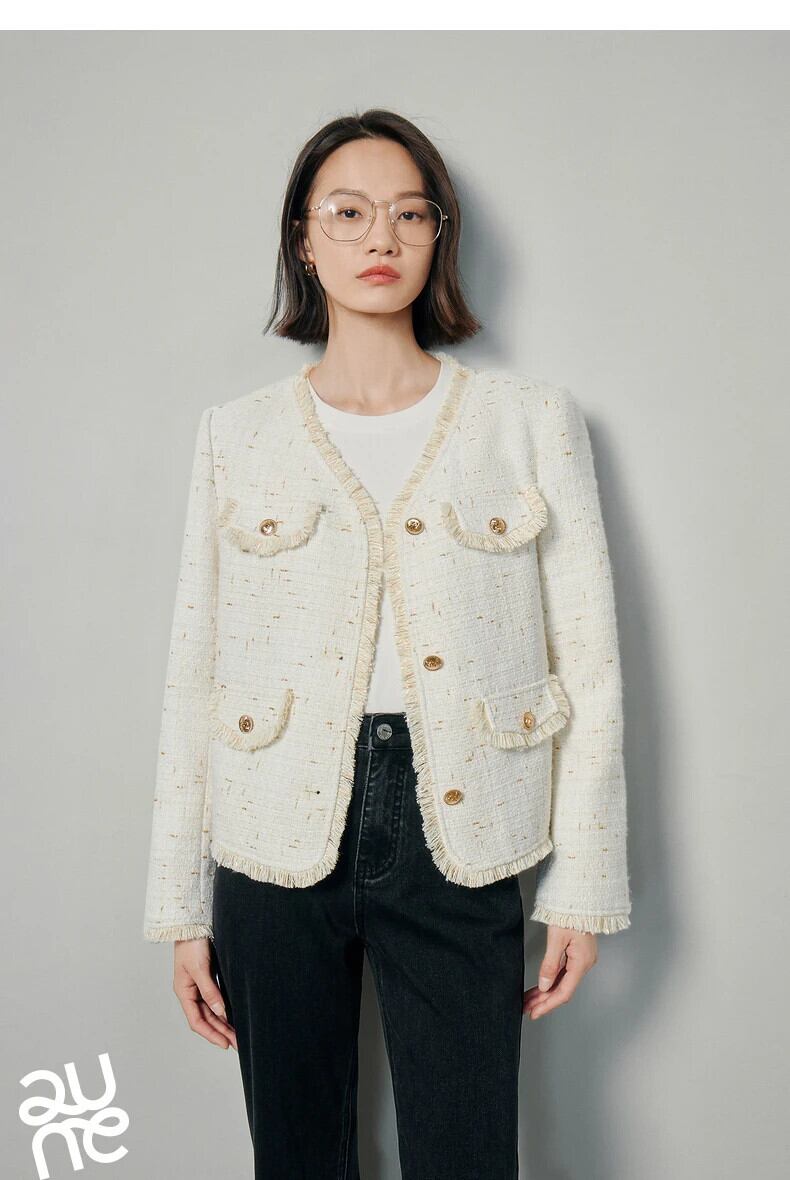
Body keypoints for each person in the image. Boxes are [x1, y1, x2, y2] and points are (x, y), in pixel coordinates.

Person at [142, 108, 632, 1180]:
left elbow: (590, 666)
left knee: (467, 1156)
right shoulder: (237, 435)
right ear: (303, 239)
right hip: (270, 832)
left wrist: (583, 885)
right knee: (295, 1157)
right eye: (349, 212)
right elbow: (196, 671)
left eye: (411, 214)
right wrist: (181, 906)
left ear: (439, 237)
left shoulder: (528, 421)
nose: (382, 238)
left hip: (465, 823)